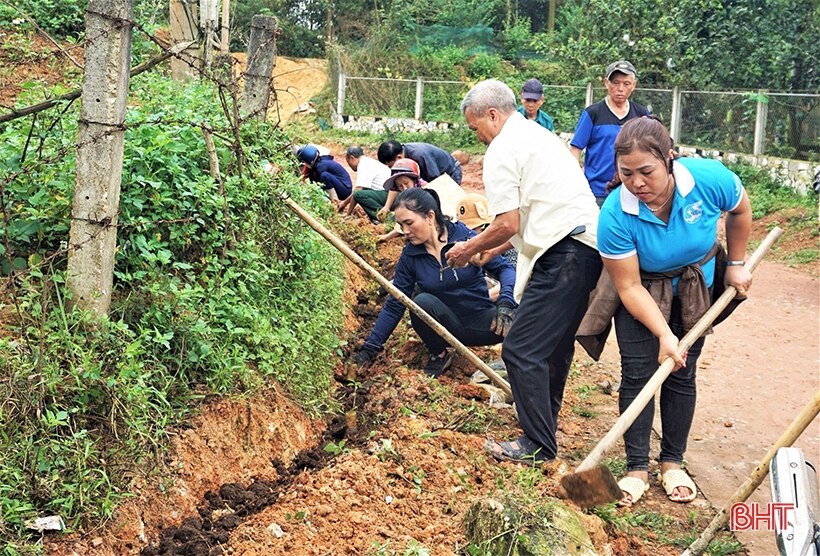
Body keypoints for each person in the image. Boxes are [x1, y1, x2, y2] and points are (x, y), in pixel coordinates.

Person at [596, 116, 752, 505]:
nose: (637, 183)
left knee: (683, 372)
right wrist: (664, 335)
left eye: (646, 171)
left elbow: (740, 208)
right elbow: (628, 285)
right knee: (637, 373)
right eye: (627, 173)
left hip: (696, 286)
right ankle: (635, 468)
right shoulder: (616, 213)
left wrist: (735, 262)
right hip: (643, 288)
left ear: (669, 159)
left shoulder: (706, 178)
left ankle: (672, 462)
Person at [446, 79, 602, 464]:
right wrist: (493, 248)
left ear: (493, 115)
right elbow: (525, 215)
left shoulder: (502, 149)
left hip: (563, 251)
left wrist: (469, 247)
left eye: (474, 127)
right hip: (587, 248)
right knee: (553, 347)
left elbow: (507, 222)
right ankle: (544, 428)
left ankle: (537, 443)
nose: (477, 136)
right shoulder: (539, 136)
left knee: (520, 349)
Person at [353, 188, 517, 377]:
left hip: (483, 323)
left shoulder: (464, 238)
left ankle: (516, 362)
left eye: (409, 223)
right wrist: (370, 347)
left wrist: (506, 303)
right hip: (443, 327)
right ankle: (439, 354)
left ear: (430, 216)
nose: (405, 231)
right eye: (400, 225)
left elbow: (505, 269)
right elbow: (395, 303)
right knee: (421, 301)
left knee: (527, 311)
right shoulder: (411, 256)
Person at [570, 61, 649, 207]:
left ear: (634, 85)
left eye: (626, 83)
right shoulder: (593, 113)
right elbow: (575, 149)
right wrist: (577, 180)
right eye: (615, 82)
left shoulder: (641, 115)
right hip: (597, 193)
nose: (620, 88)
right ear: (606, 83)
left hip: (631, 191)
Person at [377, 140, 463, 185]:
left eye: (391, 166)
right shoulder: (402, 154)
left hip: (450, 172)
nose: (392, 169)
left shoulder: (419, 155)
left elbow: (436, 180)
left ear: (399, 157)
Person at [341, 146, 391, 220]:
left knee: (359, 195)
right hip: (388, 193)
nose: (350, 166)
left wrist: (348, 213)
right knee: (363, 191)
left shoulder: (363, 165)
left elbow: (357, 191)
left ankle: (385, 217)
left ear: (352, 158)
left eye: (349, 163)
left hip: (388, 194)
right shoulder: (368, 161)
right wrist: (344, 203)